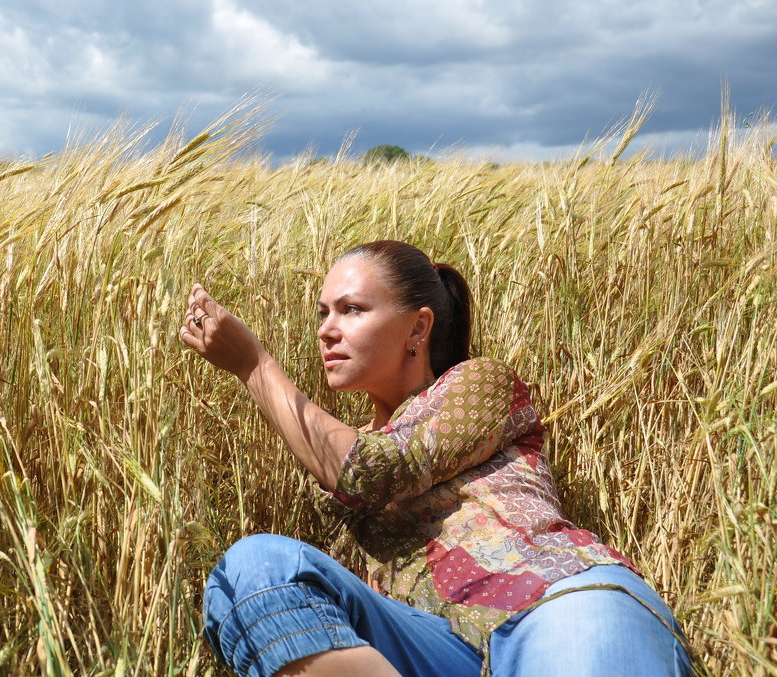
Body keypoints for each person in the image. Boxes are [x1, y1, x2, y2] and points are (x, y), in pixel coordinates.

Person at [178, 240, 695, 677]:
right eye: (323, 313)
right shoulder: (347, 444)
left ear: (418, 328)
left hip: (551, 607)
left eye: (351, 309)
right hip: (439, 646)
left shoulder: (478, 385)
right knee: (251, 572)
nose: (326, 330)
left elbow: (368, 470)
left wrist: (253, 366)